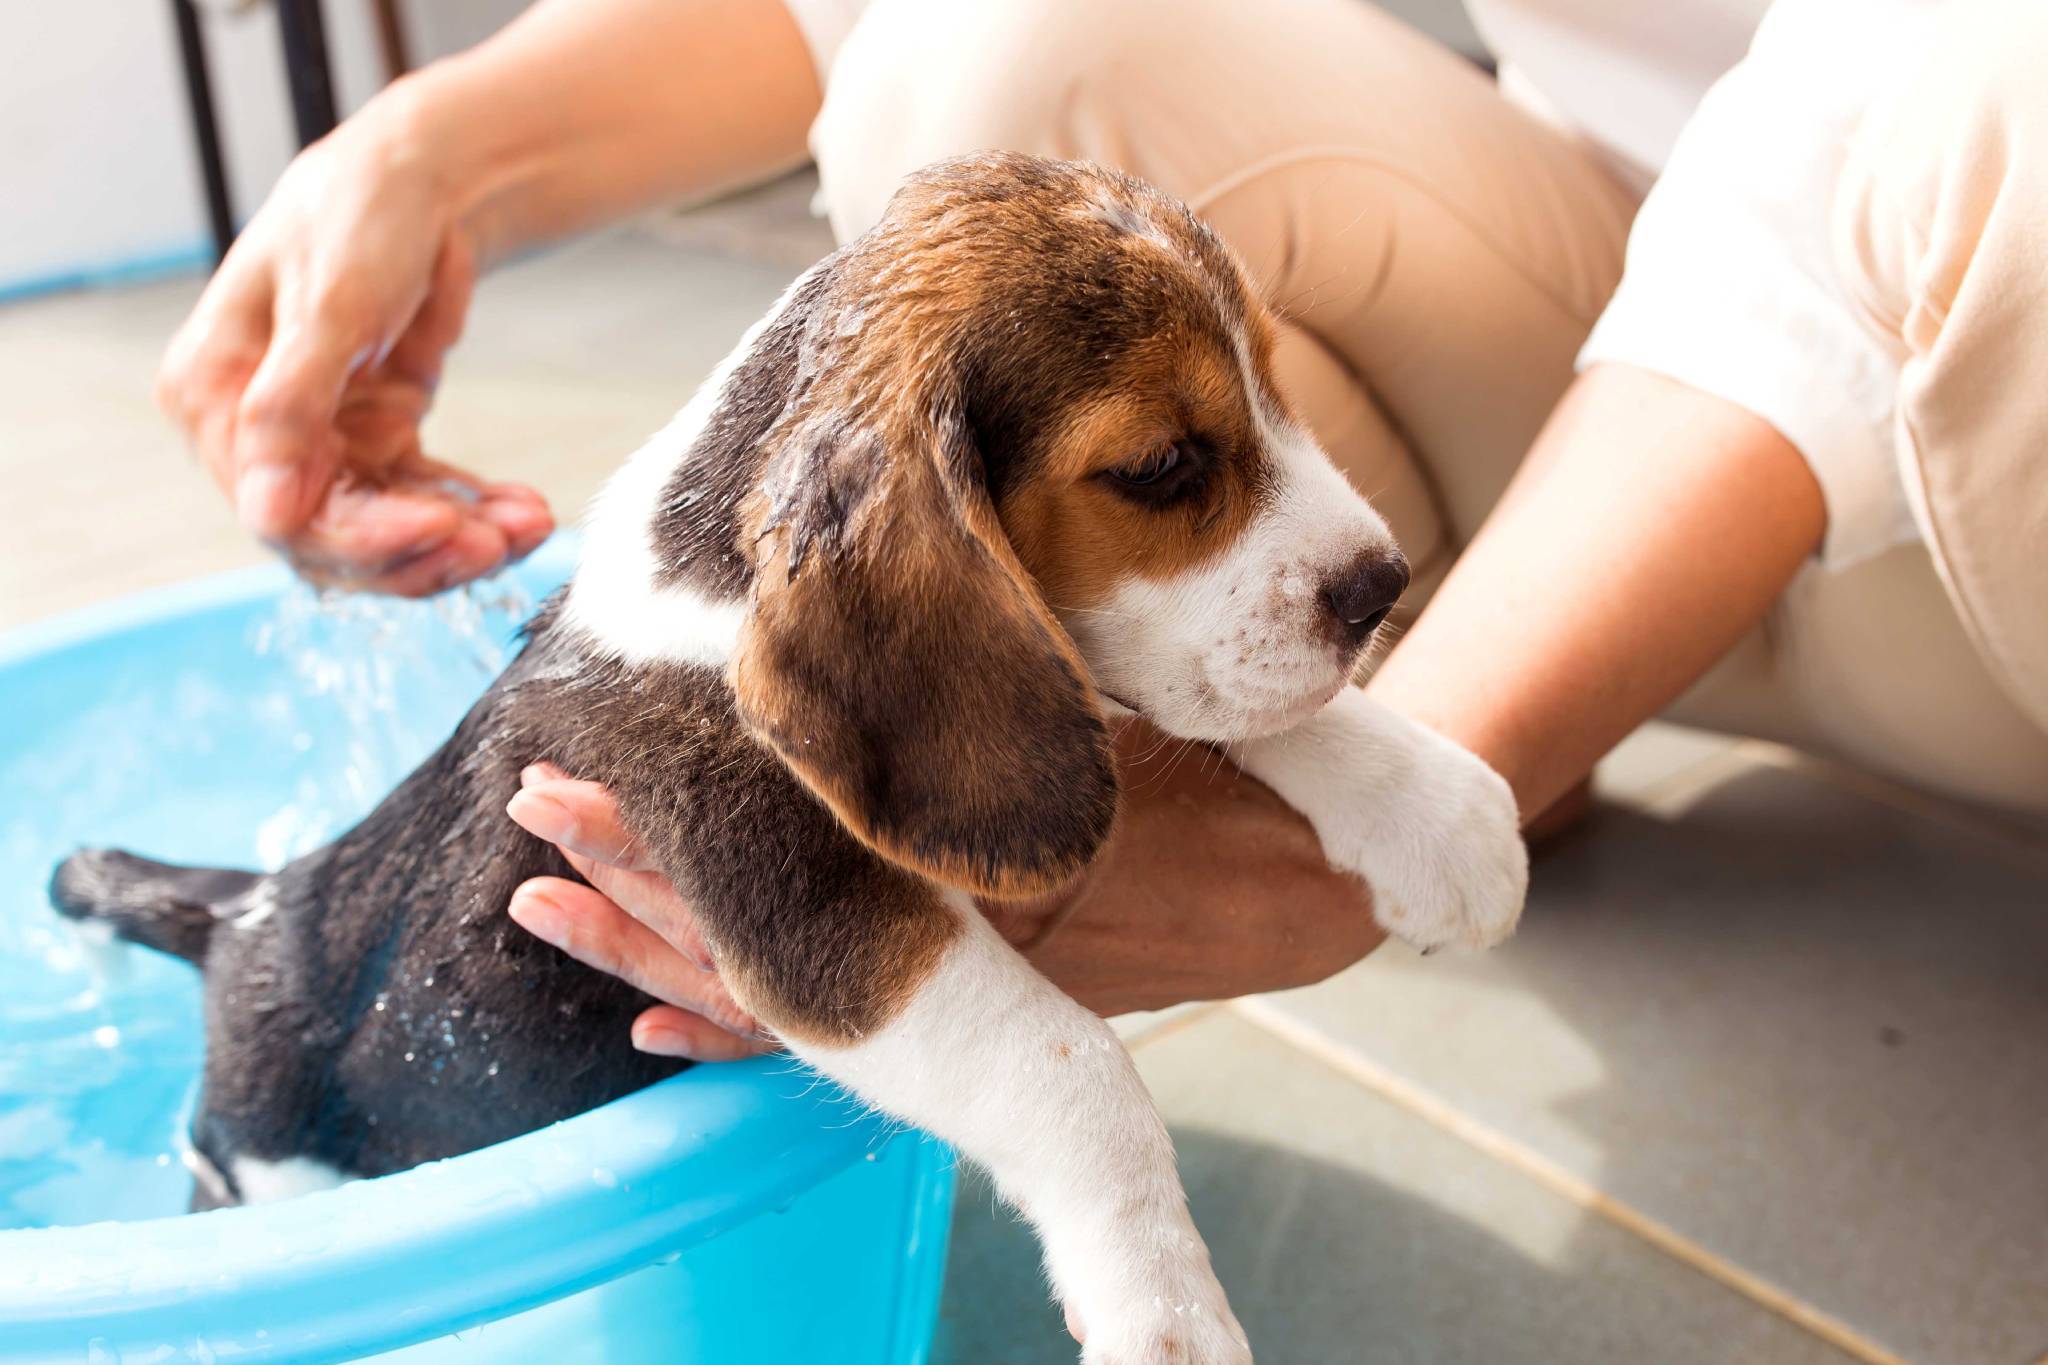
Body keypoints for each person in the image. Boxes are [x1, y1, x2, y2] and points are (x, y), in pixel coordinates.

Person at [159, 0, 2048, 1063]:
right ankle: (1406, 709)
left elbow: (1866, 150)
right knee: (998, 60)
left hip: (1998, 449)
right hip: (1594, 309)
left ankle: (1442, 750)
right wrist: (427, 156)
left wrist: (1372, 820)